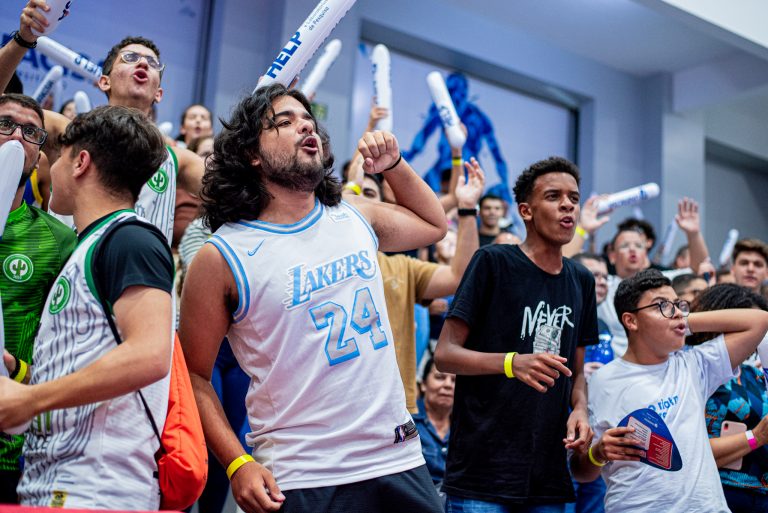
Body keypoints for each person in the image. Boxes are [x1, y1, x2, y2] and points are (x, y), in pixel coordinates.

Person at [179, 84, 446, 513]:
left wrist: (394, 166)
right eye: (284, 122)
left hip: (397, 456)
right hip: (304, 472)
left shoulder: (353, 213)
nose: (306, 127)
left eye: (308, 120)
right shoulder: (222, 255)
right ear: (252, 154)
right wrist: (236, 462)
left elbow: (434, 225)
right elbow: (193, 376)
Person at [0, 105, 174, 509]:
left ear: (80, 162)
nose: (52, 167)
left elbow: (150, 355)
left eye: (59, 156)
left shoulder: (131, 240)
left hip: (97, 488)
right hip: (53, 481)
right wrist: (22, 377)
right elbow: (83, 365)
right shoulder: (90, 244)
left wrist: (31, 399)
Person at [435, 156, 597, 512]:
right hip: (483, 472)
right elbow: (445, 354)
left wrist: (580, 409)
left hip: (548, 475)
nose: (568, 205)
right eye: (553, 196)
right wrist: (512, 363)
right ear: (526, 211)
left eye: (573, 197)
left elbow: (577, 372)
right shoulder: (492, 262)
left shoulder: (582, 280)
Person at [1, 4, 206, 246]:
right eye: (130, 58)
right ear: (104, 82)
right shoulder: (68, 134)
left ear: (159, 93)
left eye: (152, 63)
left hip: (140, 269)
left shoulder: (176, 158)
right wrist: (24, 38)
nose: (143, 64)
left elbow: (232, 187)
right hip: (69, 267)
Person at [571, 269, 768, 513]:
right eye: (661, 305)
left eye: (678, 304)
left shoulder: (694, 365)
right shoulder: (601, 382)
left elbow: (759, 321)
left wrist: (682, 321)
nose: (675, 312)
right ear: (631, 321)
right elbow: (580, 472)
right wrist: (598, 453)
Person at [345, 158, 483, 414]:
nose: (360, 203)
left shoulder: (402, 267)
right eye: (354, 194)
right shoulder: (320, 260)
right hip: (337, 407)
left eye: (370, 195)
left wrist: (466, 209)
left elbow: (460, 275)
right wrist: (351, 186)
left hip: (396, 409)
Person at [0, 93, 76, 503]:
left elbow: (66, 348)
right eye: (5, 124)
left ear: (40, 154)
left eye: (31, 132)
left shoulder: (57, 239)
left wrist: (18, 371)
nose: (17, 138)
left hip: (11, 450)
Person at [687, 284, 768, 513]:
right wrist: (755, 437)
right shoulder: (694, 372)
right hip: (718, 492)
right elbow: (688, 449)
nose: (757, 337)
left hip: (762, 496)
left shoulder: (755, 375)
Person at [414, 357, 455, 486]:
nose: (448, 385)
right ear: (423, 384)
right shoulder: (407, 421)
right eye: (440, 377)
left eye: (455, 380)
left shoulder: (467, 428)